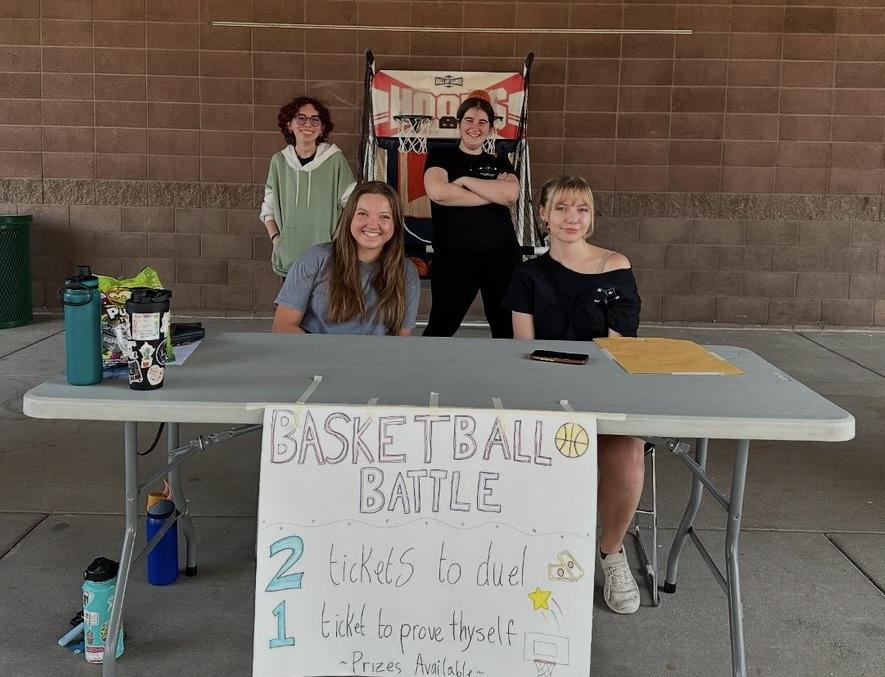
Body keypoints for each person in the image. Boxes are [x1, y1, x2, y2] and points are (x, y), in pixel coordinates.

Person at [502, 175, 645, 615]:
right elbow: (524, 350)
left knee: (628, 456)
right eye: (562, 208)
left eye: (581, 209)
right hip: (545, 393)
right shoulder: (527, 274)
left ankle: (611, 551)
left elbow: (618, 348)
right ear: (543, 215)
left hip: (603, 392)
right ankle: (535, 548)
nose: (572, 218)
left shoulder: (615, 265)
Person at [422, 92, 521, 338]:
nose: (475, 127)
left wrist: (465, 181)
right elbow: (439, 192)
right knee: (441, 327)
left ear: (491, 128)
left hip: (501, 258)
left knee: (506, 329)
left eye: (482, 122)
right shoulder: (440, 155)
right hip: (454, 259)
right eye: (469, 120)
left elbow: (511, 194)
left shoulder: (501, 162)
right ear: (459, 123)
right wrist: (493, 193)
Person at [272, 182, 420, 336]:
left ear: (395, 224)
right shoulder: (314, 259)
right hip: (316, 351)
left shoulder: (406, 272)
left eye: (384, 216)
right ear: (349, 218)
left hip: (376, 352)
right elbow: (282, 327)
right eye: (363, 214)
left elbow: (401, 339)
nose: (373, 225)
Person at [260, 96, 357, 278]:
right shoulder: (279, 162)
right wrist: (277, 240)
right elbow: (268, 209)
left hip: (326, 260)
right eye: (301, 118)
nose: (308, 124)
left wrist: (335, 242)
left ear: (322, 128)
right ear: (289, 124)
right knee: (291, 299)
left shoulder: (335, 160)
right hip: (289, 259)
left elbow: (352, 206)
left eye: (315, 119)